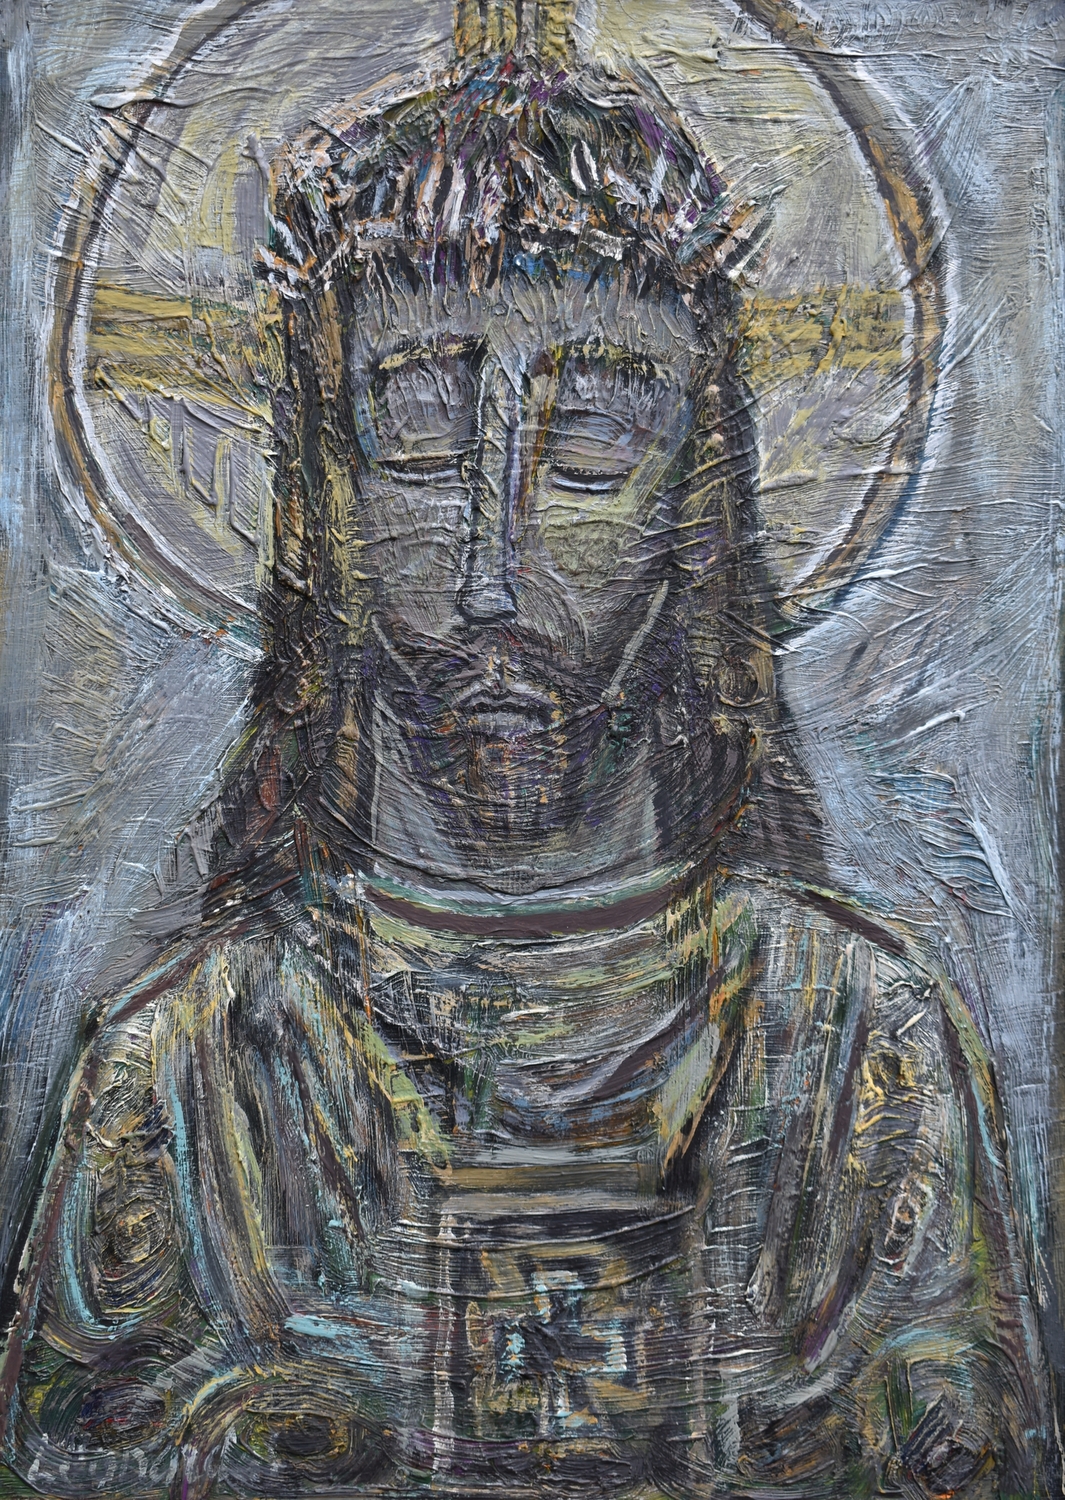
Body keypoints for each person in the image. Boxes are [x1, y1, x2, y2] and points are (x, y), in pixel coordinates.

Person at [0, 4, 1048, 1495]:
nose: (492, 571)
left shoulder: (854, 1047)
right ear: (322, 503)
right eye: (422, 439)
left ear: (696, 509)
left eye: (594, 446)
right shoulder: (188, 1074)